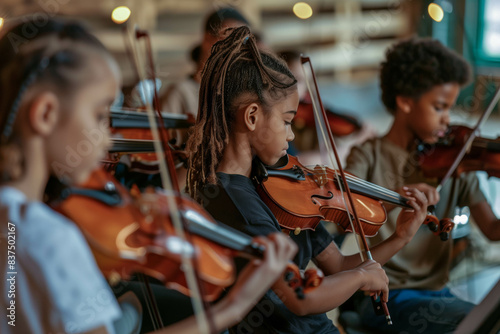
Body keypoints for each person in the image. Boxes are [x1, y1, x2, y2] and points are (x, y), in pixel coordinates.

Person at [0, 17, 298, 334]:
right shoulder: (48, 237)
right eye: (101, 115)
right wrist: (234, 307)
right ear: (46, 113)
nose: (107, 136)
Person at [186, 26, 430, 334]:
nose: (291, 135)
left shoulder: (280, 188)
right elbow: (300, 299)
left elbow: (339, 266)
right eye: (287, 121)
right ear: (251, 117)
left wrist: (400, 237)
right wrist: (362, 278)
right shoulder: (236, 201)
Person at [344, 37, 500, 333]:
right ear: (405, 101)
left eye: (450, 108)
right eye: (439, 107)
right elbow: (349, 212)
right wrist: (401, 200)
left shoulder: (456, 160)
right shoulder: (368, 155)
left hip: (438, 294)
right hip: (384, 294)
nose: (447, 119)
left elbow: (492, 229)